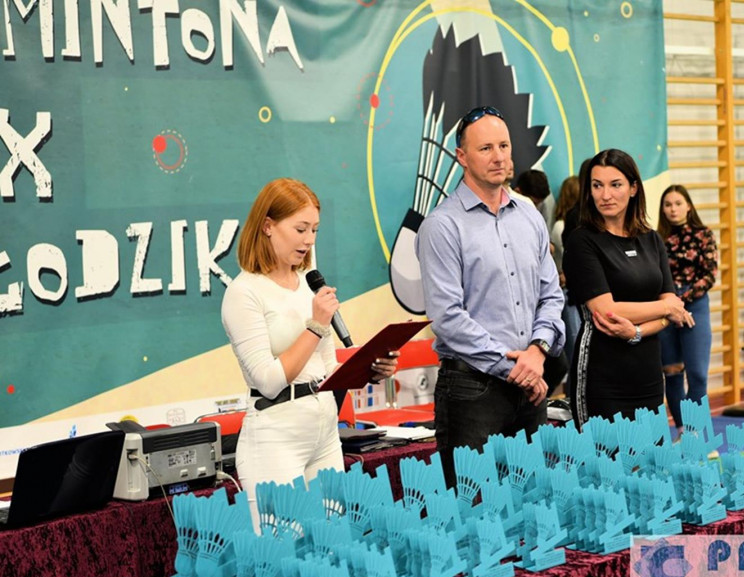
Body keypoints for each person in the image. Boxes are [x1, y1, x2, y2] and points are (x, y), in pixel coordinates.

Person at [221, 177, 398, 528]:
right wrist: (316, 325)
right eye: (300, 229)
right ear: (268, 226)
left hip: (324, 432)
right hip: (275, 438)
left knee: (332, 542)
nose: (309, 240)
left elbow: (327, 367)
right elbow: (268, 381)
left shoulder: (308, 284)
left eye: (315, 230)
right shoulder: (244, 293)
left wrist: (370, 369)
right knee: (285, 549)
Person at [416, 106, 565, 487]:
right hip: (473, 391)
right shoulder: (442, 226)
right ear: (461, 157)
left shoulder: (530, 217)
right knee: (474, 508)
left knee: (533, 502)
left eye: (504, 146)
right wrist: (515, 368)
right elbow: (448, 317)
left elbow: (551, 296)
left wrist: (537, 351)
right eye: (485, 149)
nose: (498, 157)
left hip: (531, 385)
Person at [563, 149, 693, 427]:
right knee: (605, 455)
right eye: (597, 185)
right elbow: (607, 311)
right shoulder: (582, 241)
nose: (605, 195)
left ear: (633, 188)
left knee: (651, 453)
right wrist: (666, 308)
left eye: (615, 185)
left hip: (647, 373)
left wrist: (637, 332)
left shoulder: (651, 239)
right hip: (602, 375)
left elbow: (671, 309)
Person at [656, 185, 718, 440]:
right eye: (668, 204)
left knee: (698, 374)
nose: (673, 209)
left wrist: (682, 301)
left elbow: (710, 274)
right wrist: (669, 303)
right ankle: (682, 432)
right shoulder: (656, 238)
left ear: (688, 206)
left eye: (678, 203)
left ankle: (696, 433)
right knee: (672, 372)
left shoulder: (703, 234)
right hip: (664, 307)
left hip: (694, 304)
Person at [551, 175, 582, 366]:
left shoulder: (558, 225)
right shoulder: (562, 226)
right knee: (577, 342)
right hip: (568, 288)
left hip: (568, 286)